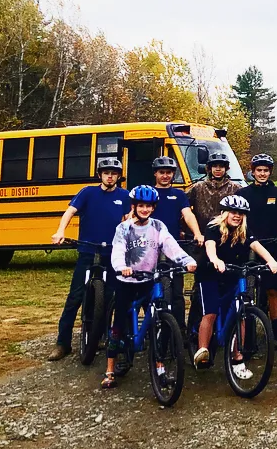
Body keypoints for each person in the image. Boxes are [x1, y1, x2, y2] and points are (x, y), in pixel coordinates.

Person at [103, 185, 197, 388]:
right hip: (126, 282)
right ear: (134, 206)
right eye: (141, 206)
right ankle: (110, 370)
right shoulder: (124, 228)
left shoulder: (158, 226)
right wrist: (122, 267)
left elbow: (171, 245)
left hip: (149, 280)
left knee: (159, 323)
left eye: (148, 206)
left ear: (153, 208)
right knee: (118, 326)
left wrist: (187, 261)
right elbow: (117, 250)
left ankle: (161, 368)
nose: (145, 210)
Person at [47, 157, 131, 361]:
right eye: (106, 173)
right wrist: (60, 231)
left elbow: (129, 218)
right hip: (87, 251)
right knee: (75, 297)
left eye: (114, 173)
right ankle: (62, 343)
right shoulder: (88, 192)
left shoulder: (125, 195)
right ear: (100, 175)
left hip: (112, 253)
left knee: (110, 297)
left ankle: (100, 335)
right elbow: (70, 212)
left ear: (118, 176)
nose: (110, 176)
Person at [194, 195, 277, 368]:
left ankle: (237, 355)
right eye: (233, 212)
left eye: (241, 213)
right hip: (210, 274)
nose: (237, 216)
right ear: (224, 213)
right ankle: (202, 350)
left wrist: (271, 260)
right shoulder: (213, 227)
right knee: (210, 312)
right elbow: (209, 246)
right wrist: (215, 260)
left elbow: (256, 245)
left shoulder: (244, 230)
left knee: (239, 313)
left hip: (232, 273)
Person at [237, 153, 277, 343]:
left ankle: (274, 331)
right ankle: (246, 335)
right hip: (247, 247)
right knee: (247, 290)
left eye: (265, 170)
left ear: (270, 172)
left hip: (272, 247)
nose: (262, 174)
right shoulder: (242, 194)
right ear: (253, 172)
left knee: (272, 290)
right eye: (259, 170)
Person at [149, 156, 204, 330]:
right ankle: (152, 328)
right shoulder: (149, 193)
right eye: (162, 172)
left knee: (177, 292)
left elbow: (188, 215)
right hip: (150, 247)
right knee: (149, 289)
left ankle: (179, 330)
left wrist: (197, 233)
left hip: (173, 247)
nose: (165, 176)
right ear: (155, 174)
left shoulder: (178, 194)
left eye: (169, 173)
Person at [187, 152, 242, 234]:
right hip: (202, 235)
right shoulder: (197, 187)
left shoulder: (236, 188)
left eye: (221, 166)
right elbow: (183, 209)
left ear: (226, 168)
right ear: (209, 168)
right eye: (215, 166)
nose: (218, 169)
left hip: (228, 234)